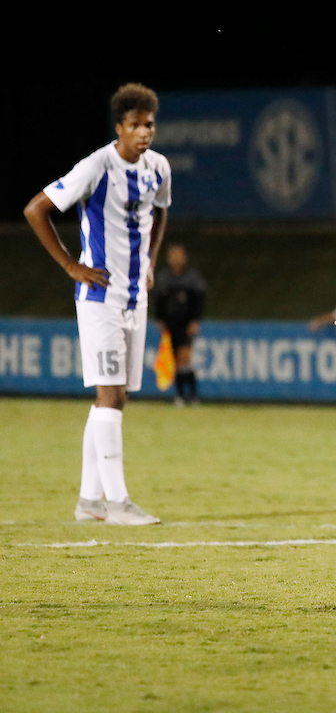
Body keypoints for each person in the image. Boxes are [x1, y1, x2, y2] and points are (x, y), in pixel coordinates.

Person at [23, 83, 170, 525]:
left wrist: (150, 261)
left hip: (133, 295)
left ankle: (89, 502)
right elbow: (36, 209)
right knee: (109, 393)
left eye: (149, 124)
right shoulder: (97, 165)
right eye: (135, 125)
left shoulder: (158, 167)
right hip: (100, 296)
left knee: (117, 397)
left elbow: (160, 211)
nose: (144, 133)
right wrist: (70, 265)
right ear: (119, 127)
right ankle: (118, 502)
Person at [155, 243, 206, 406]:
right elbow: (158, 300)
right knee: (175, 360)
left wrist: (195, 320)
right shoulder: (164, 278)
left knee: (185, 358)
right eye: (172, 254)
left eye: (178, 254)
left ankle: (192, 395)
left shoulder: (192, 278)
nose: (175, 258)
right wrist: (159, 319)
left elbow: (199, 300)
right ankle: (180, 396)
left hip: (186, 323)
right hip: (171, 324)